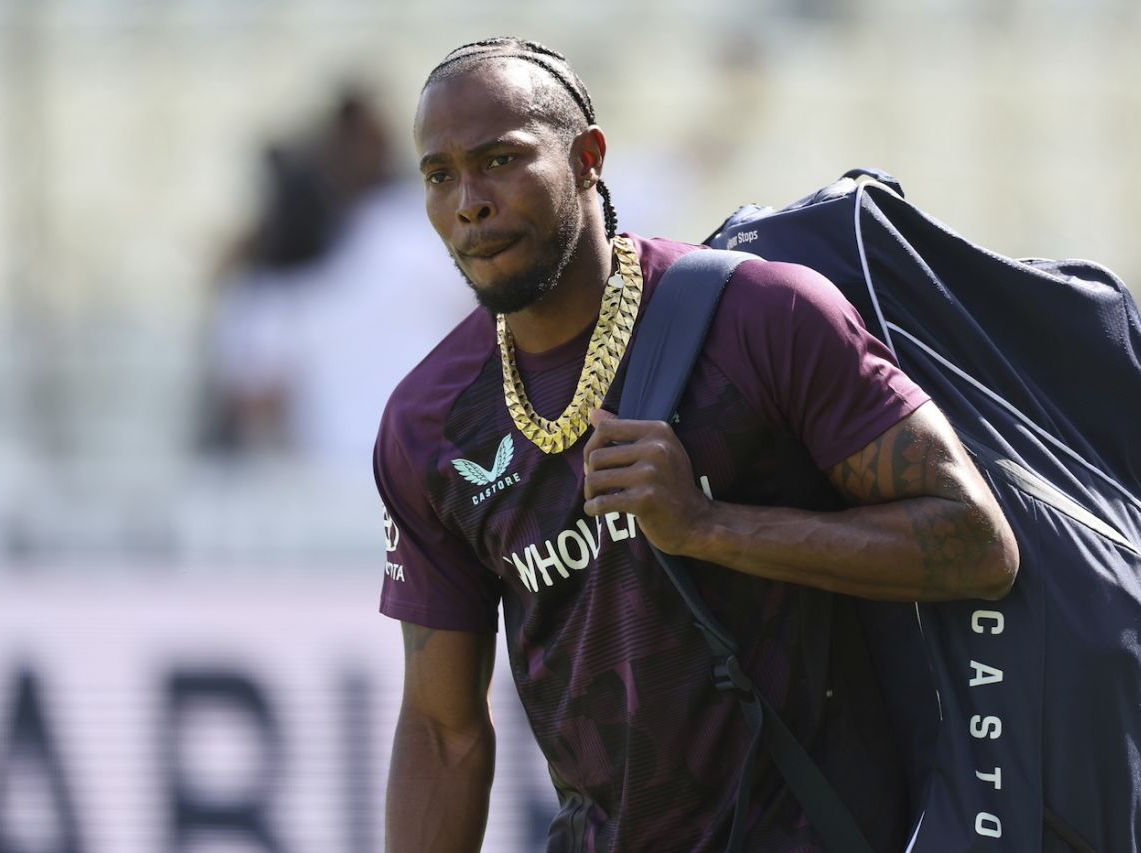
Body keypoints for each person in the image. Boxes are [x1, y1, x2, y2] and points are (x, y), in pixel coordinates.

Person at [375, 37, 1019, 852]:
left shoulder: (763, 317)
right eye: (440, 175)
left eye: (501, 160)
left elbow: (976, 542)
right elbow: (442, 731)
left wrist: (709, 526)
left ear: (587, 159)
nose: (468, 201)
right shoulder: (427, 422)